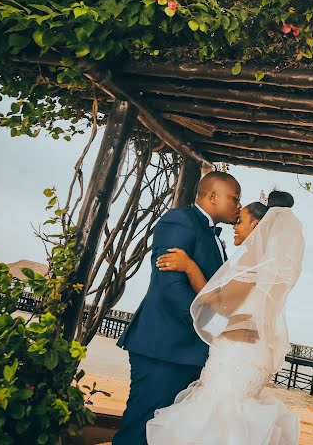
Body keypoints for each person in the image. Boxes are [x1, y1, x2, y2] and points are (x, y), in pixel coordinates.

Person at [146, 190, 305, 445]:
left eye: (241, 220)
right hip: (255, 349)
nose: (235, 226)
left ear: (257, 225)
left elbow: (216, 303)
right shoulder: (272, 266)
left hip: (238, 352)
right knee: (233, 418)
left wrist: (189, 266)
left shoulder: (253, 262)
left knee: (218, 418)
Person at [112, 171, 242, 445]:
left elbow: (213, 292)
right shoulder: (179, 220)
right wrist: (215, 327)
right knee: (141, 429)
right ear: (213, 196)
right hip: (164, 348)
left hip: (189, 353)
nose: (239, 205)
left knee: (166, 434)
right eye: (234, 198)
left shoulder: (215, 237)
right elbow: (171, 288)